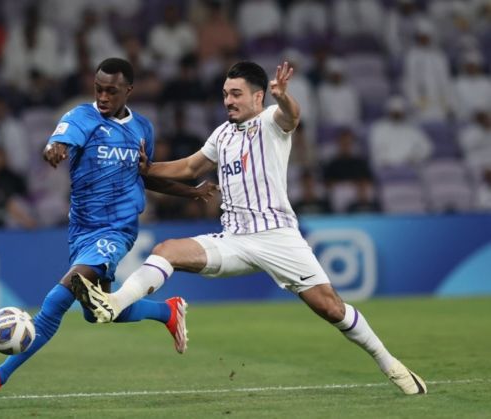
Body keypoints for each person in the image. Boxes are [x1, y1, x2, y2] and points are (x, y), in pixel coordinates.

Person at [72, 60, 428, 396]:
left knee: (331, 308)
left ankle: (391, 364)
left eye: (236, 93)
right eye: (226, 94)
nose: (228, 100)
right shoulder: (222, 135)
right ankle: (113, 304)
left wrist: (284, 96)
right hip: (235, 239)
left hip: (278, 236)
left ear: (258, 96)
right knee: (166, 251)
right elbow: (190, 168)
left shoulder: (272, 120)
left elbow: (293, 115)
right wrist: (146, 167)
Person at [0, 58, 216, 393]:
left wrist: (191, 192)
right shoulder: (82, 117)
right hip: (82, 230)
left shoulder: (143, 128)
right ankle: (167, 312)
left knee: (58, 301)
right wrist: (54, 150)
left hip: (117, 230)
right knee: (97, 310)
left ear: (128, 90)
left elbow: (145, 176)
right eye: (98, 88)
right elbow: (60, 142)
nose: (102, 96)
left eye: (111, 91)